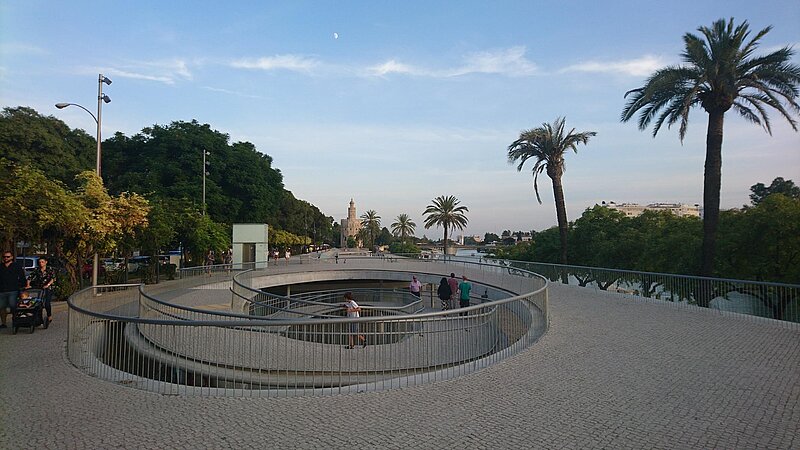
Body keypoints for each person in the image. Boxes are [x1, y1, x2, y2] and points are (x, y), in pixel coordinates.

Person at [0, 251, 27, 329]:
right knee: (1, 307)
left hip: (13, 290)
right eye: (4, 257)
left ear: (11, 257)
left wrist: (23, 286)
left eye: (8, 257)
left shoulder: (16, 266)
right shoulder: (1, 267)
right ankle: (3, 323)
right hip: (2, 290)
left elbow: (22, 277)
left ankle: (15, 321)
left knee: (13, 306)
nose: (6, 258)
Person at [27, 256, 56, 324]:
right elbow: (30, 277)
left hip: (48, 288)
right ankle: (39, 319)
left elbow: (53, 278)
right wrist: (28, 285)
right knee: (38, 303)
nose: (41, 263)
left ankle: (49, 315)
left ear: (46, 262)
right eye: (40, 262)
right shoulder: (37, 270)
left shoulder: (50, 269)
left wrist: (47, 285)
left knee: (47, 303)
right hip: (39, 289)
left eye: (42, 262)